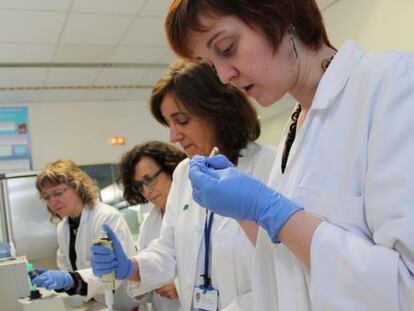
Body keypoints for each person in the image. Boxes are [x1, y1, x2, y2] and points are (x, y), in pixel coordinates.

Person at [165, 1, 414, 310]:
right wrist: (246, 212)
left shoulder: (393, 84)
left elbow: (406, 285)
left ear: (280, 14)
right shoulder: (296, 127)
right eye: (210, 62)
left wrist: (272, 211)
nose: (223, 76)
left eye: (227, 48)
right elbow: (294, 268)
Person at [91, 59, 277, 310]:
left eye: (182, 120)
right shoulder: (184, 173)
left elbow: (281, 270)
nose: (173, 135)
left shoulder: (271, 167)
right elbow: (169, 250)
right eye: (169, 123)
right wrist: (131, 266)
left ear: (218, 111)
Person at [33, 159, 137, 310]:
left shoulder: (106, 218)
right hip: (96, 304)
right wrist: (60, 279)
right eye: (47, 197)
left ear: (78, 187)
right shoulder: (63, 227)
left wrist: (70, 279)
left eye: (57, 193)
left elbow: (111, 275)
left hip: (122, 305)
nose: (53, 201)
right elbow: (67, 269)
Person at [118, 141, 185, 310]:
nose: (146, 191)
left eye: (150, 179)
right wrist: (134, 273)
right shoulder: (149, 223)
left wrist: (182, 286)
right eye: (139, 185)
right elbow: (145, 285)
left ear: (172, 171)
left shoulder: (198, 211)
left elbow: (217, 266)